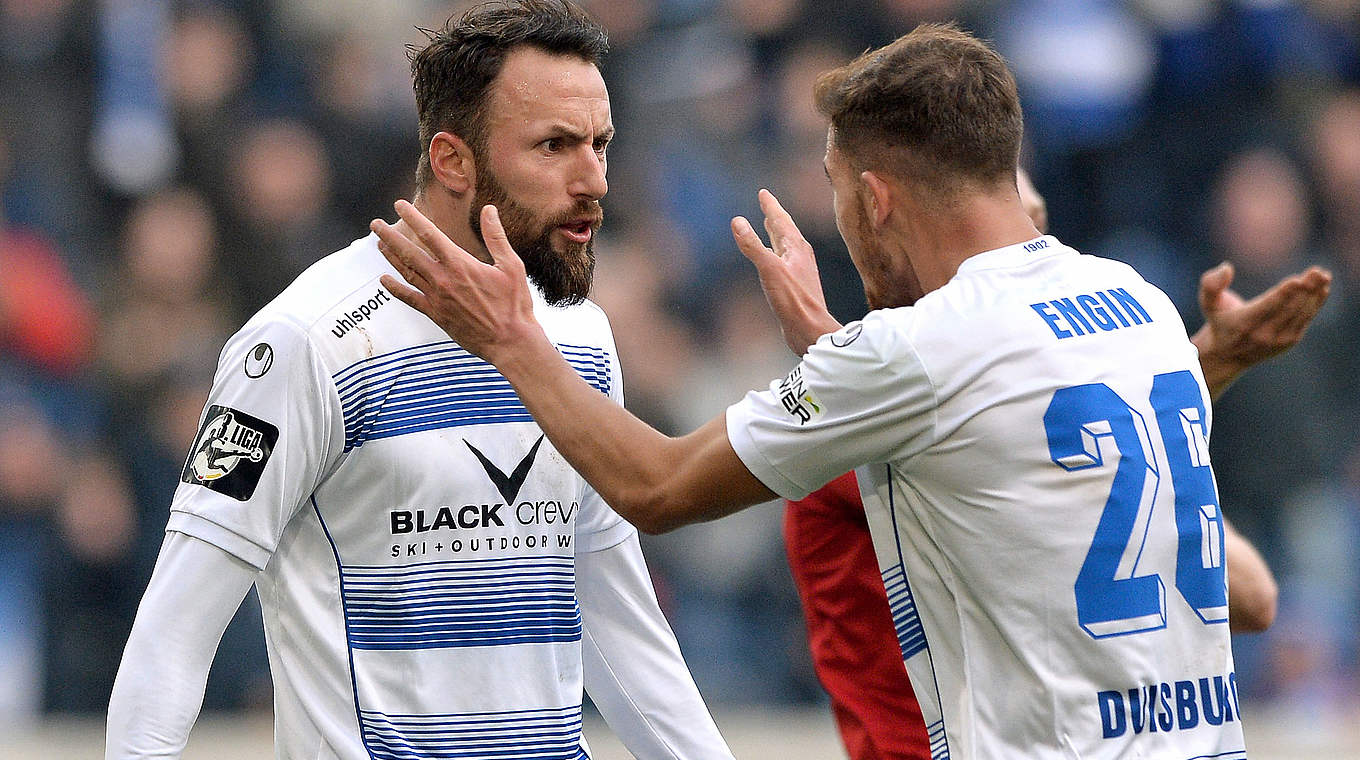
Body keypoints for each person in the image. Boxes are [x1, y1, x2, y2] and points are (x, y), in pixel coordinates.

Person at [371, 23, 1337, 758]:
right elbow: (1012, 424)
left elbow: (658, 488)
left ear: (875, 195)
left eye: (836, 190)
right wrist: (1214, 361)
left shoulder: (917, 351)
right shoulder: (1131, 300)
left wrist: (506, 336)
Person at [105, 3, 734, 759]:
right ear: (452, 161)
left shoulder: (580, 336)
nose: (593, 179)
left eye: (600, 144)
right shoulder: (300, 341)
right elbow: (172, 634)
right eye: (555, 146)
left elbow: (616, 621)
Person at [785, 172, 1328, 760]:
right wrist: (1192, 374)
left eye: (1036, 226)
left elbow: (1250, 596)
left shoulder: (949, 407)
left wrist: (1161, 393)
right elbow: (1246, 593)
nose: (1028, 256)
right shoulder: (879, 416)